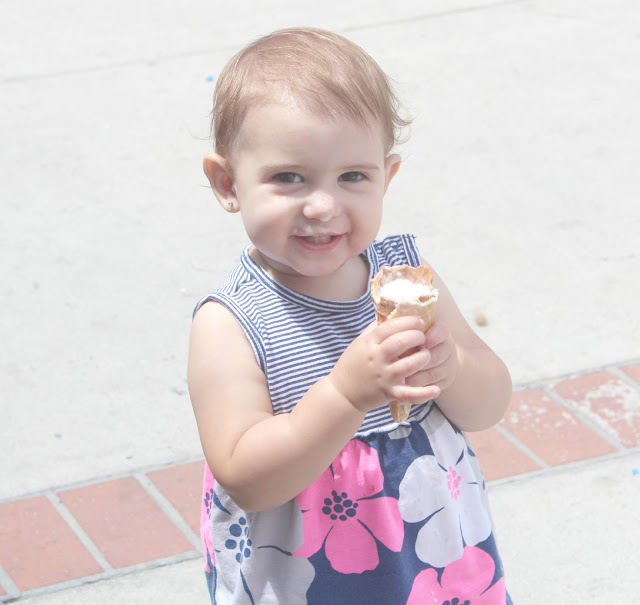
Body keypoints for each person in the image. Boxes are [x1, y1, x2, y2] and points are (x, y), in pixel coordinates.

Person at [188, 27, 514, 605]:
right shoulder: (232, 323)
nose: (322, 205)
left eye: (352, 177)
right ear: (227, 182)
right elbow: (248, 477)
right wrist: (345, 394)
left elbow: (489, 406)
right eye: (288, 177)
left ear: (387, 177)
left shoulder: (407, 278)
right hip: (312, 572)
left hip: (434, 554)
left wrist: (454, 368)